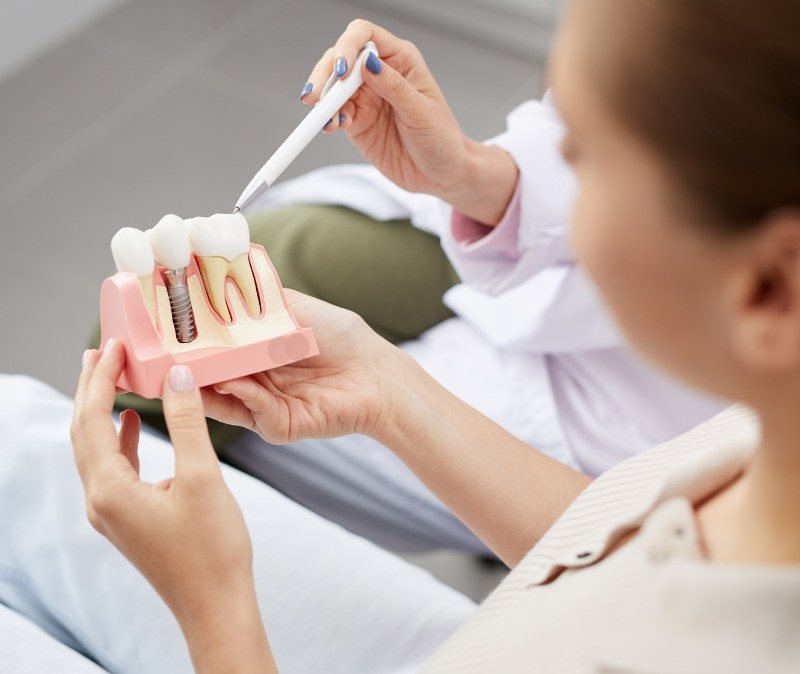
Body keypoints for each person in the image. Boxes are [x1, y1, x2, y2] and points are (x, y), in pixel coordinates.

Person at [60, 0, 800, 671]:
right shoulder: (752, 457)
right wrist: (389, 392)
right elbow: (614, 549)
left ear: (768, 290)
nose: (560, 181)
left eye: (583, 156)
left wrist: (215, 611)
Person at [94, 25, 726, 554]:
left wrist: (390, 396)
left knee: (124, 418)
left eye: (588, 156)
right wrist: (477, 177)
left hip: (602, 431)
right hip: (546, 262)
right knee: (242, 273)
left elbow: (620, 560)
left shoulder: (706, 524)